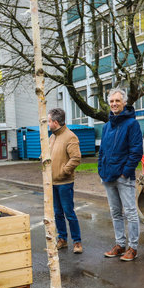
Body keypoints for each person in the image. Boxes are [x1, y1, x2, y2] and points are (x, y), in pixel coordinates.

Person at [97, 88, 143, 262]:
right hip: (108, 176)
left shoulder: (132, 124)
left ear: (124, 103)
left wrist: (125, 172)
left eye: (118, 101)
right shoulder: (107, 126)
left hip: (123, 177)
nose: (114, 104)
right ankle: (119, 245)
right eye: (112, 101)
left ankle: (133, 248)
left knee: (130, 213)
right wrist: (101, 169)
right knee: (115, 213)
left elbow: (136, 151)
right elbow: (102, 151)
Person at [48, 107, 83, 254]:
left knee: (69, 212)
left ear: (55, 122)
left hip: (64, 183)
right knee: (57, 213)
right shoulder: (52, 137)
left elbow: (76, 158)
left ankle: (77, 242)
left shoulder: (70, 137)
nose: (48, 124)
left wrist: (64, 172)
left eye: (49, 121)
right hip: (52, 183)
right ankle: (62, 239)